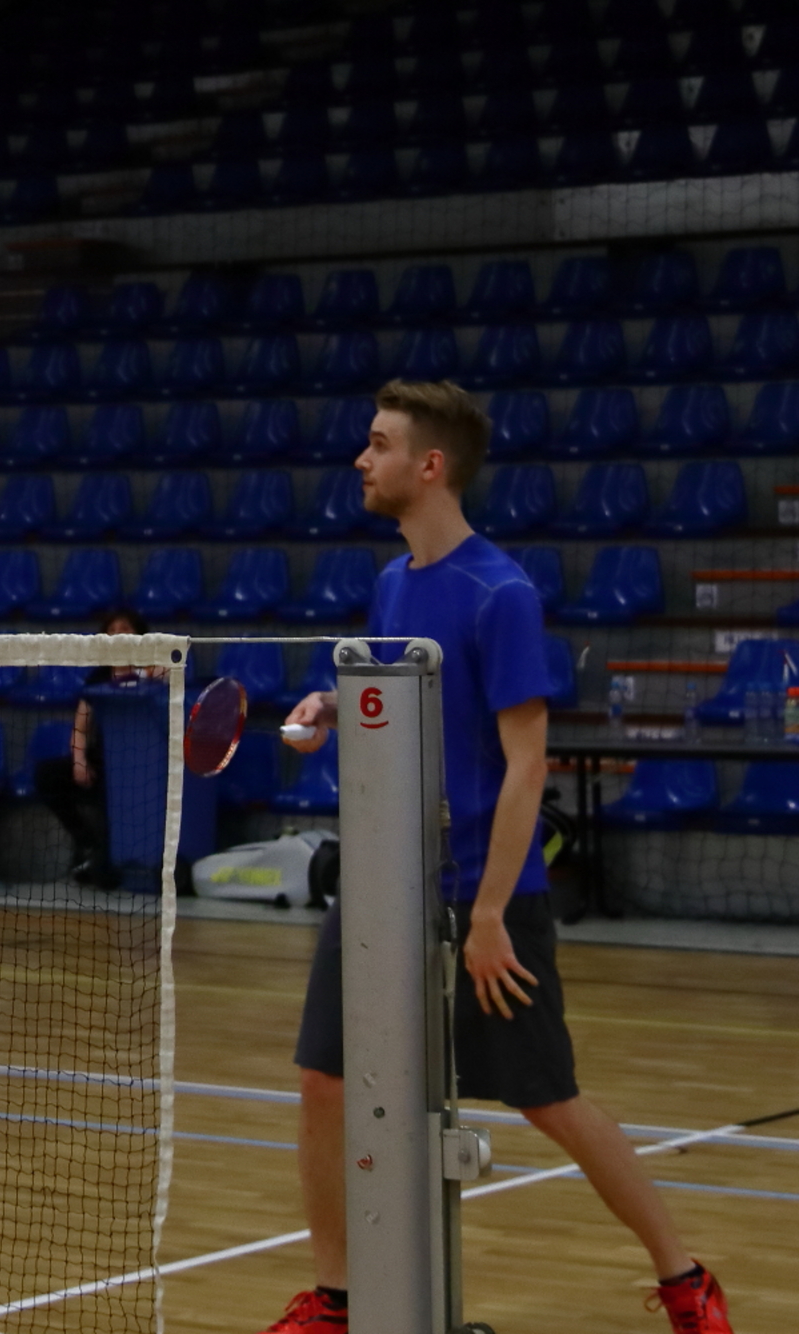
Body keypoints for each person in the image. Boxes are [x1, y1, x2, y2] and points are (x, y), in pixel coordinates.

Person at [264, 381, 731, 1334]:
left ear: (429, 465)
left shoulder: (500, 594)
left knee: (546, 1097)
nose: (361, 459)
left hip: (486, 895)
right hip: (383, 880)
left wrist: (484, 916)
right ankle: (336, 1298)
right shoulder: (392, 584)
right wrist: (328, 708)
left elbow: (527, 765)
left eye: (378, 443)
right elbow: (394, 705)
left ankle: (686, 1280)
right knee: (323, 1083)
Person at [32, 608, 161, 887]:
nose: (118, 635)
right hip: (105, 764)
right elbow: (80, 728)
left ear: (139, 635)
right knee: (47, 774)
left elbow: (171, 679)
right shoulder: (98, 678)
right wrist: (79, 759)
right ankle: (85, 841)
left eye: (125, 629)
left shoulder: (155, 671)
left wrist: (149, 671)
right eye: (111, 631)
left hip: (145, 765)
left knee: (105, 878)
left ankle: (106, 858)